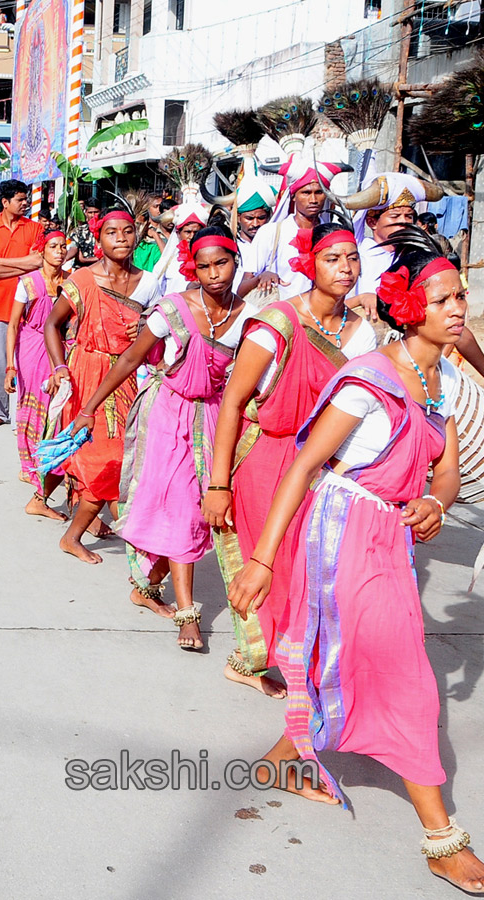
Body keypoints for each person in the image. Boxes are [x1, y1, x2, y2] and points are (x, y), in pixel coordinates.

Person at [227, 229, 484, 896]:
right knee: (407, 676)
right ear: (410, 307)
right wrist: (259, 560)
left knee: (348, 661)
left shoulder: (445, 376)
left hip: (391, 537)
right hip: (341, 530)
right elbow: (305, 466)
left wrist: (433, 500)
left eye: (461, 295)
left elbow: (448, 474)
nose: (460, 308)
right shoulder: (370, 377)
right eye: (445, 298)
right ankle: (441, 838)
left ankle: (286, 755)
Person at [206, 221, 375, 697]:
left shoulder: (364, 335)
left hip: (325, 466)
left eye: (352, 258)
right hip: (267, 458)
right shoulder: (278, 322)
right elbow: (234, 403)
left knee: (309, 566)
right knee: (273, 563)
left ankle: (294, 659)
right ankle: (250, 659)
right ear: (308, 263)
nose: (345, 268)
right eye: (332, 259)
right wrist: (219, 483)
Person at [73, 226, 254, 649]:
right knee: (177, 507)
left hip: (213, 418)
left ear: (236, 262)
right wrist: (88, 409)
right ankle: (188, 615)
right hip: (165, 416)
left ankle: (148, 584)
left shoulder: (249, 317)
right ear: (194, 268)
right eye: (204, 266)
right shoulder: (172, 310)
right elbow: (131, 357)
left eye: (222, 263)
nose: (214, 274)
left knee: (197, 513)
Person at [44, 206, 161, 560]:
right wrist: (59, 367)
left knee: (119, 456)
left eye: (127, 231)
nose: (121, 238)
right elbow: (53, 324)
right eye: (112, 232)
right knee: (103, 457)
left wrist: (144, 327)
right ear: (99, 239)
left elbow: (159, 329)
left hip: (127, 378)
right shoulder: (82, 279)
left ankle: (106, 525)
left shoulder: (149, 282)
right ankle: (74, 535)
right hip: (85, 373)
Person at [5, 229, 69, 515]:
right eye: (53, 246)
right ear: (42, 251)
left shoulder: (71, 282)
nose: (59, 251)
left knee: (59, 408)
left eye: (63, 246)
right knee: (36, 405)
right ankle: (31, 466)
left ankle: (50, 465)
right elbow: (13, 324)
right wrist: (10, 364)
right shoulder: (28, 283)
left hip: (61, 349)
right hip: (31, 347)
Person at [0, 179, 42, 427]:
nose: (25, 203)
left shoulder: (34, 229)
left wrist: (2, 262)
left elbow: (38, 262)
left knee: (26, 367)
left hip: (30, 308)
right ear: (5, 202)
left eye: (26, 199)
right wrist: (21, 265)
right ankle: (1, 413)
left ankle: (23, 417)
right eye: (20, 199)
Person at [240, 159, 345, 300]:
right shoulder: (271, 233)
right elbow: (242, 289)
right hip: (282, 316)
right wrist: (261, 278)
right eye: (306, 193)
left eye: (319, 192)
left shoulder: (333, 236)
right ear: (293, 196)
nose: (313, 199)